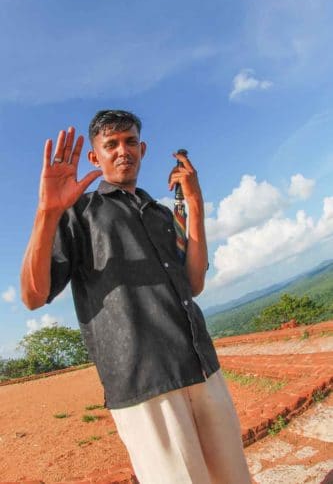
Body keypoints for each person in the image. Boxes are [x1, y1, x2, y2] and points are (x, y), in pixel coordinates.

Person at [21, 110, 251, 484]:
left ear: (142, 149)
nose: (122, 151)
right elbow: (33, 296)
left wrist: (195, 206)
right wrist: (47, 212)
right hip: (145, 384)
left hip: (202, 366)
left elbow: (193, 282)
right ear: (95, 157)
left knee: (234, 477)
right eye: (110, 145)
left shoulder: (161, 213)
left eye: (129, 142)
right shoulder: (78, 215)